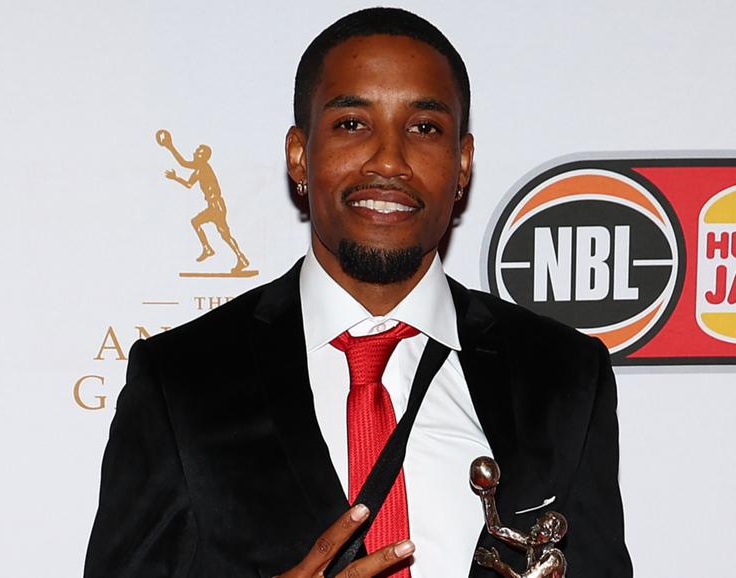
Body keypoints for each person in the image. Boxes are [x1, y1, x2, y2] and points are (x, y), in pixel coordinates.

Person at [85, 8, 632, 578]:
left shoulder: (563, 376)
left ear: (462, 163)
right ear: (300, 153)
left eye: (424, 128)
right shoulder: (181, 381)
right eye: (352, 124)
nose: (390, 161)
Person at [156, 128, 250, 269]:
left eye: (197, 152)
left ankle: (237, 257)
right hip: (214, 206)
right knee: (203, 225)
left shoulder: (203, 167)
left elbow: (183, 163)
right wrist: (176, 178)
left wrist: (170, 146)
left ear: (202, 156)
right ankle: (215, 251)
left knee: (223, 234)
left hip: (216, 205)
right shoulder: (199, 170)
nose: (194, 153)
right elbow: (188, 184)